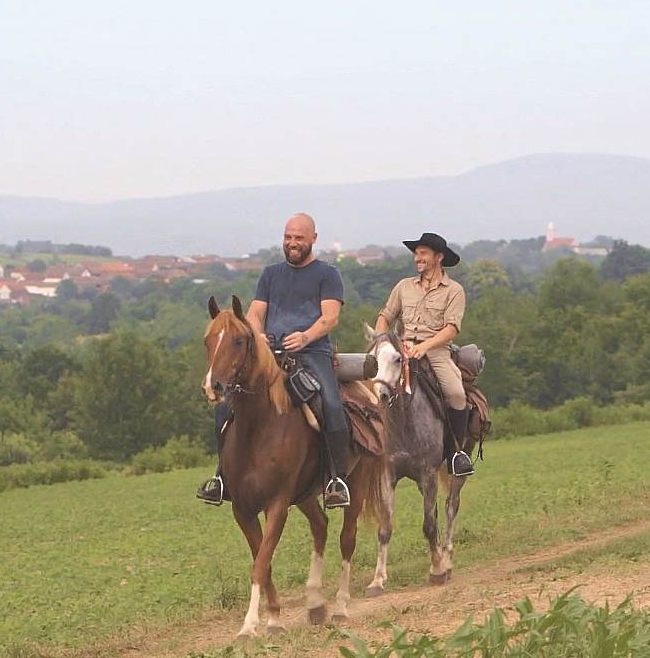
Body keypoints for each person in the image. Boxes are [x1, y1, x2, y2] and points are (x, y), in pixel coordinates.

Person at [197, 213, 353, 508]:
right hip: (271, 354)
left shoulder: (328, 274)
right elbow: (255, 312)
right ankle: (221, 478)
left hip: (312, 352)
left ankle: (336, 479)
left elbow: (330, 317)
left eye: (299, 238)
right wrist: (257, 333)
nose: (292, 243)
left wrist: (305, 337)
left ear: (313, 240)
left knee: (331, 404)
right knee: (227, 404)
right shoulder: (270, 274)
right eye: (288, 237)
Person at [374, 232, 474, 477]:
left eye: (423, 254)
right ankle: (372, 449)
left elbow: (451, 329)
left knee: (456, 393)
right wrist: (382, 342)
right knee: (376, 388)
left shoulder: (454, 290)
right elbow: (385, 317)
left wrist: (424, 346)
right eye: (416, 254)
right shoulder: (403, 286)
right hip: (402, 349)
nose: (417, 258)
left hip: (437, 351)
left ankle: (456, 453)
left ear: (438, 257)